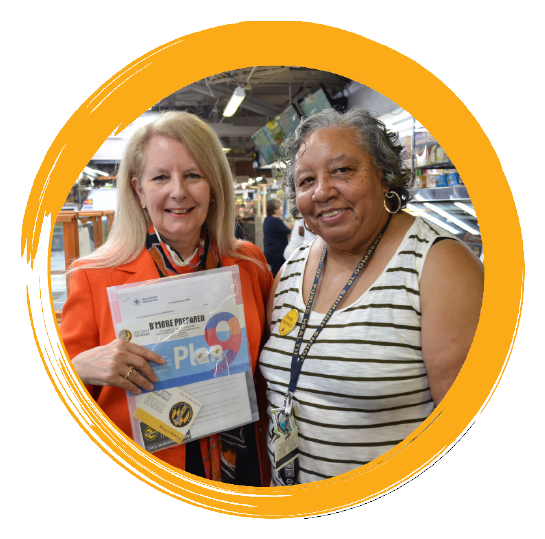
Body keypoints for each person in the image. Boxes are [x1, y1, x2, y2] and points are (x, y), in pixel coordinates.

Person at [259, 108, 484, 486]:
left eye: (343, 170)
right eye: (306, 180)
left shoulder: (438, 265)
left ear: (384, 174)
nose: (322, 191)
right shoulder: (291, 269)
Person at [61, 111, 273, 486]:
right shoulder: (93, 275)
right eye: (161, 177)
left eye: (193, 175)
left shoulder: (249, 264)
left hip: (242, 470)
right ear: (139, 190)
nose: (179, 191)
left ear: (214, 185)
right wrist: (77, 369)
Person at [263, 198, 293, 277]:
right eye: (280, 207)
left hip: (270, 251)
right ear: (275, 210)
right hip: (277, 253)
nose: (282, 208)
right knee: (278, 276)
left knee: (275, 273)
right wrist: (296, 224)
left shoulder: (268, 219)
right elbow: (288, 232)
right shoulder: (276, 220)